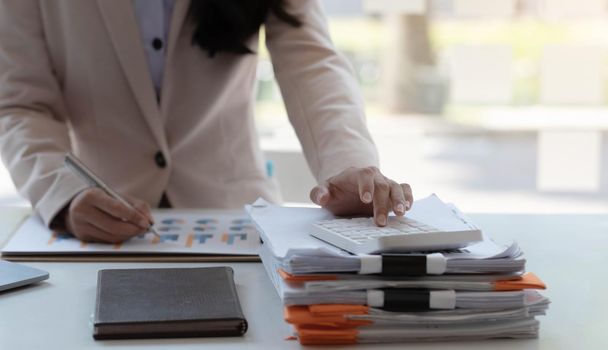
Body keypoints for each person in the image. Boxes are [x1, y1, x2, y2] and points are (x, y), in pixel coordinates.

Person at [0, 0, 413, 243]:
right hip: (99, 223)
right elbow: (21, 103)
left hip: (238, 220)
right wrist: (65, 194)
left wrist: (347, 164)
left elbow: (311, 61)